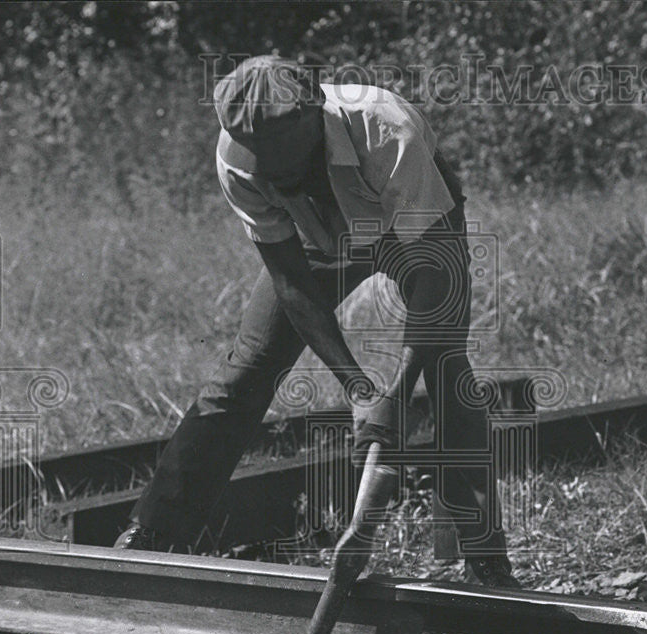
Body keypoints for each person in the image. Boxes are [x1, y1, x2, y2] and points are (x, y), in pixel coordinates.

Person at [114, 55, 519, 587]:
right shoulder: (238, 156)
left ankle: (484, 556)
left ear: (314, 110)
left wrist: (395, 393)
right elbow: (292, 284)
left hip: (413, 229)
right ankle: (154, 533)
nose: (271, 168)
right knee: (248, 364)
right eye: (259, 153)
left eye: (282, 152)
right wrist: (358, 387)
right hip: (317, 237)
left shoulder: (384, 129)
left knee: (444, 365)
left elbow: (435, 283)